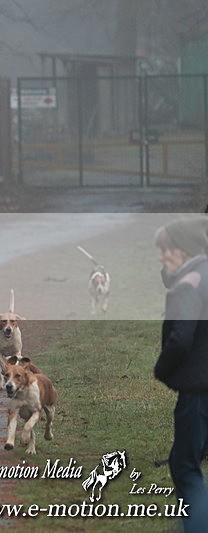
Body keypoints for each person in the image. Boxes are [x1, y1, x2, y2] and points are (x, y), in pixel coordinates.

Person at [153, 217, 208, 533]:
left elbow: (181, 339)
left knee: (184, 467)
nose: (162, 257)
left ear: (183, 250)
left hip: (198, 392)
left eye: (165, 249)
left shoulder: (189, 284)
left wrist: (161, 369)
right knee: (186, 460)